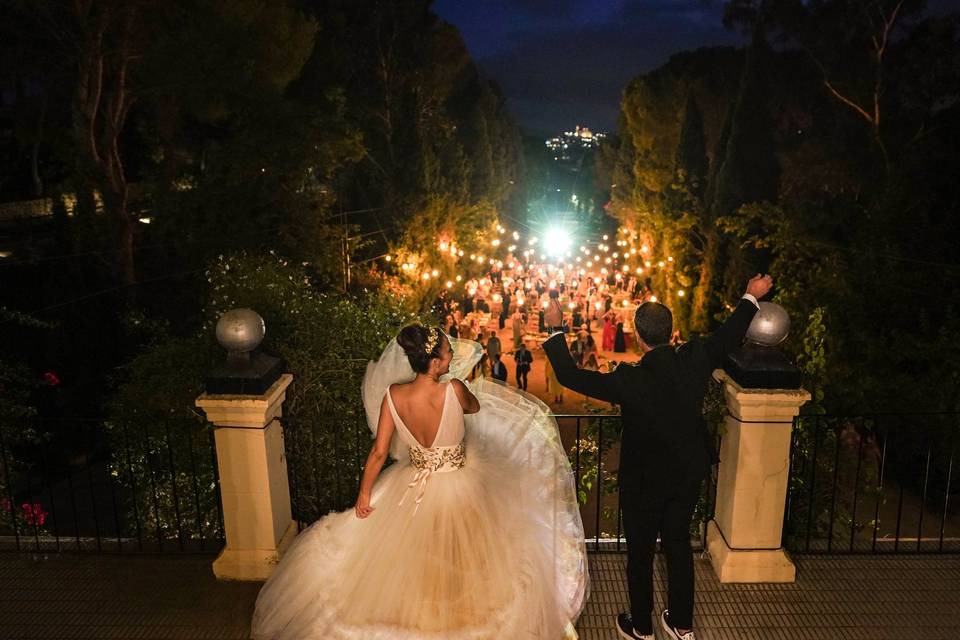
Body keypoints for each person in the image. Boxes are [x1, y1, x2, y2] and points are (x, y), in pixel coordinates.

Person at [251, 325, 588, 639]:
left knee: (417, 555)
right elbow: (474, 408)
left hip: (410, 485)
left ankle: (419, 614)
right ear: (437, 361)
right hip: (461, 483)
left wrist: (365, 494)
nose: (451, 356)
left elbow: (379, 453)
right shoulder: (454, 389)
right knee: (467, 554)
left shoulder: (393, 396)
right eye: (447, 352)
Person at [543, 274, 774, 640]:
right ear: (672, 331)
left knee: (641, 553)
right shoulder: (695, 359)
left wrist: (555, 327)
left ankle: (642, 626)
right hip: (687, 473)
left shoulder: (627, 380)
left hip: (643, 480)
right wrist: (751, 294)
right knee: (678, 544)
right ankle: (682, 625)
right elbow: (729, 335)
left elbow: (570, 375)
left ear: (637, 336)